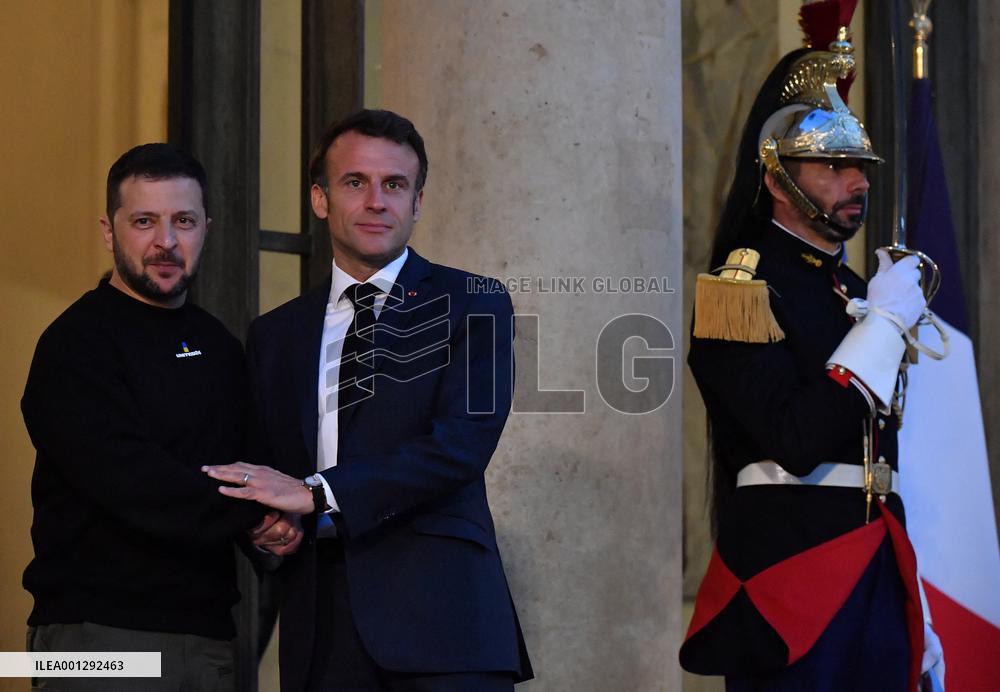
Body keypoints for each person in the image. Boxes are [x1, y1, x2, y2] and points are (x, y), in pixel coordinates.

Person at [203, 109, 532, 691]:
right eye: (355, 182)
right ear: (320, 199)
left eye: (395, 185)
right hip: (320, 629)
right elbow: (268, 464)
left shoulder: (475, 302)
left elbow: (461, 446)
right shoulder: (275, 334)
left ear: (418, 203)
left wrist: (315, 493)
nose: (377, 201)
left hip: (444, 624)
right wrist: (266, 521)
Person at [679, 36, 945, 691]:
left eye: (860, 165)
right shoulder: (740, 289)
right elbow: (794, 440)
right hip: (789, 578)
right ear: (775, 178)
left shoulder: (855, 289)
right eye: (832, 166)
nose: (857, 182)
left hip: (876, 563)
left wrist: (912, 594)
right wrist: (881, 328)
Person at [21, 143, 266, 691]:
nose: (166, 241)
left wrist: (283, 523)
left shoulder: (219, 346)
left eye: (183, 220)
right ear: (109, 232)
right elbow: (133, 481)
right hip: (92, 640)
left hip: (207, 640)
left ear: (206, 226)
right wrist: (260, 511)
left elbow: (248, 463)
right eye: (144, 221)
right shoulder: (74, 344)